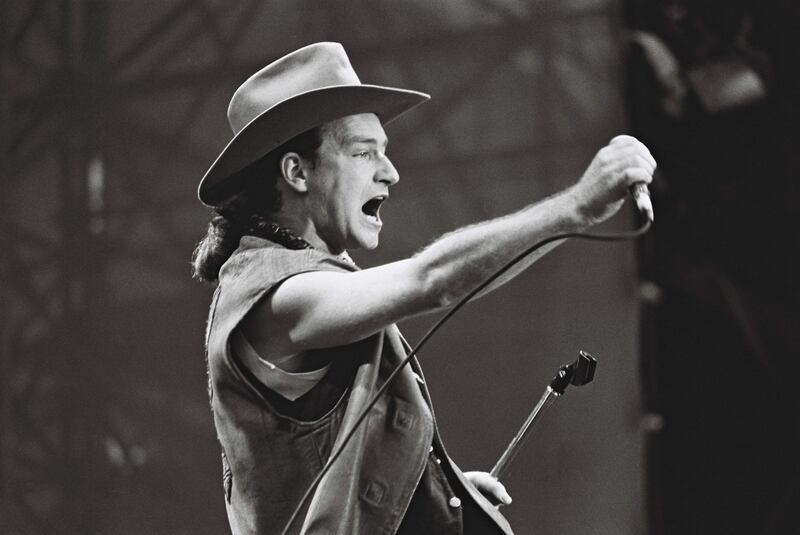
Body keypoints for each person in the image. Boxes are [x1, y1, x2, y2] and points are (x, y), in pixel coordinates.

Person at [192, 42, 655, 535]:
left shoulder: (302, 278)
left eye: (384, 151)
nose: (389, 172)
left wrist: (429, 491)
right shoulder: (274, 293)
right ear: (297, 172)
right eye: (363, 152)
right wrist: (577, 207)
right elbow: (430, 279)